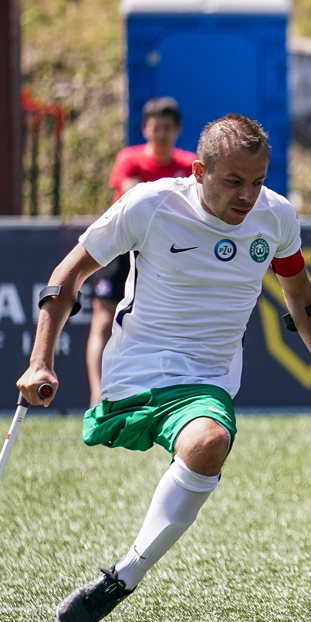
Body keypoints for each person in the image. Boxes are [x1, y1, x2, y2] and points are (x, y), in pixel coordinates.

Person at [17, 113, 311, 622]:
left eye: (258, 181)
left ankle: (124, 576)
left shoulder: (276, 217)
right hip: (134, 369)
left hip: (207, 379)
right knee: (198, 440)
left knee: (210, 441)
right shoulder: (150, 204)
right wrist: (40, 360)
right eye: (234, 181)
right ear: (199, 171)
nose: (248, 196)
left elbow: (300, 295)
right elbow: (69, 275)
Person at [86, 97, 196, 405]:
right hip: (122, 251)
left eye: (167, 128)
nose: (161, 134)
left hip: (165, 253)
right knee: (104, 321)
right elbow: (135, 198)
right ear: (145, 128)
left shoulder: (189, 164)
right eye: (155, 127)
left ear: (177, 130)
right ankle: (97, 394)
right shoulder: (130, 159)